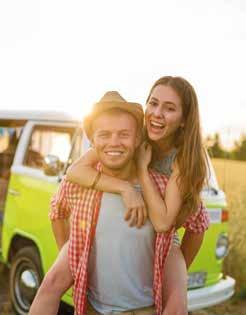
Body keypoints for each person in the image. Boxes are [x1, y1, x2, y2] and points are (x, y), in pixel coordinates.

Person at [28, 86, 209, 315]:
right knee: (50, 283)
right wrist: (72, 253)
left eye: (170, 108)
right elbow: (59, 207)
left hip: (145, 298)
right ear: (93, 140)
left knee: (177, 303)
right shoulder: (83, 179)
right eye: (153, 104)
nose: (157, 113)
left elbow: (196, 220)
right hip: (94, 305)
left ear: (137, 140)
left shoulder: (175, 171)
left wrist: (175, 262)